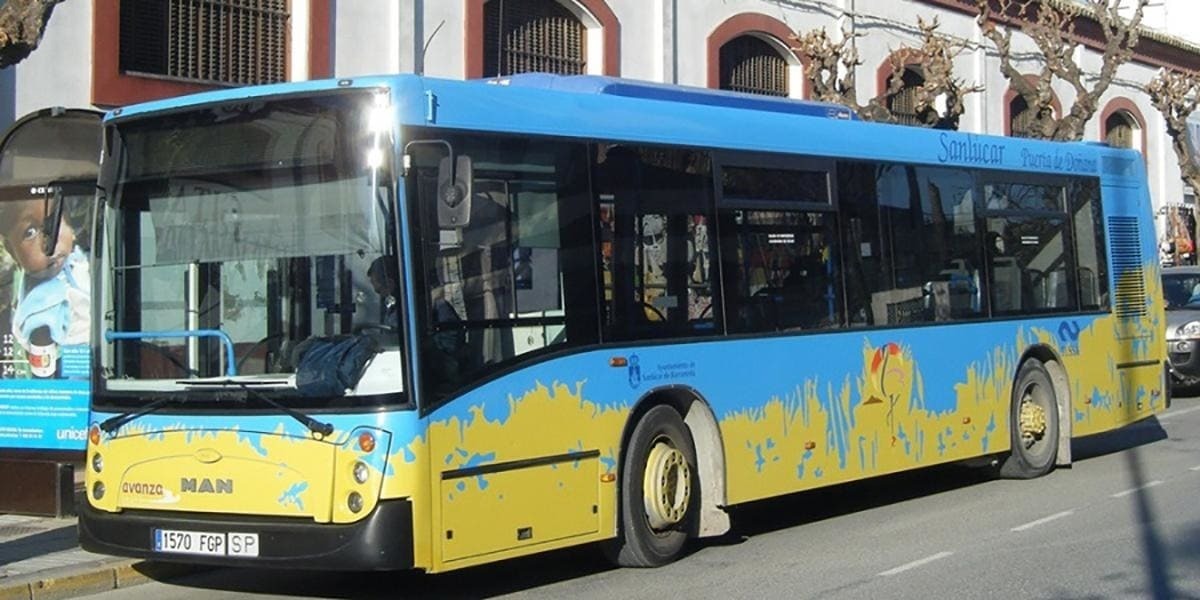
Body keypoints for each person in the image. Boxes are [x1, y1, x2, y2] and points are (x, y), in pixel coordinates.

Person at [0, 197, 89, 377]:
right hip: (73, 381)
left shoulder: (77, 262)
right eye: (30, 232)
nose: (50, 244)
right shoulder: (41, 307)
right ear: (11, 250)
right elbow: (43, 372)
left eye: (54, 223)